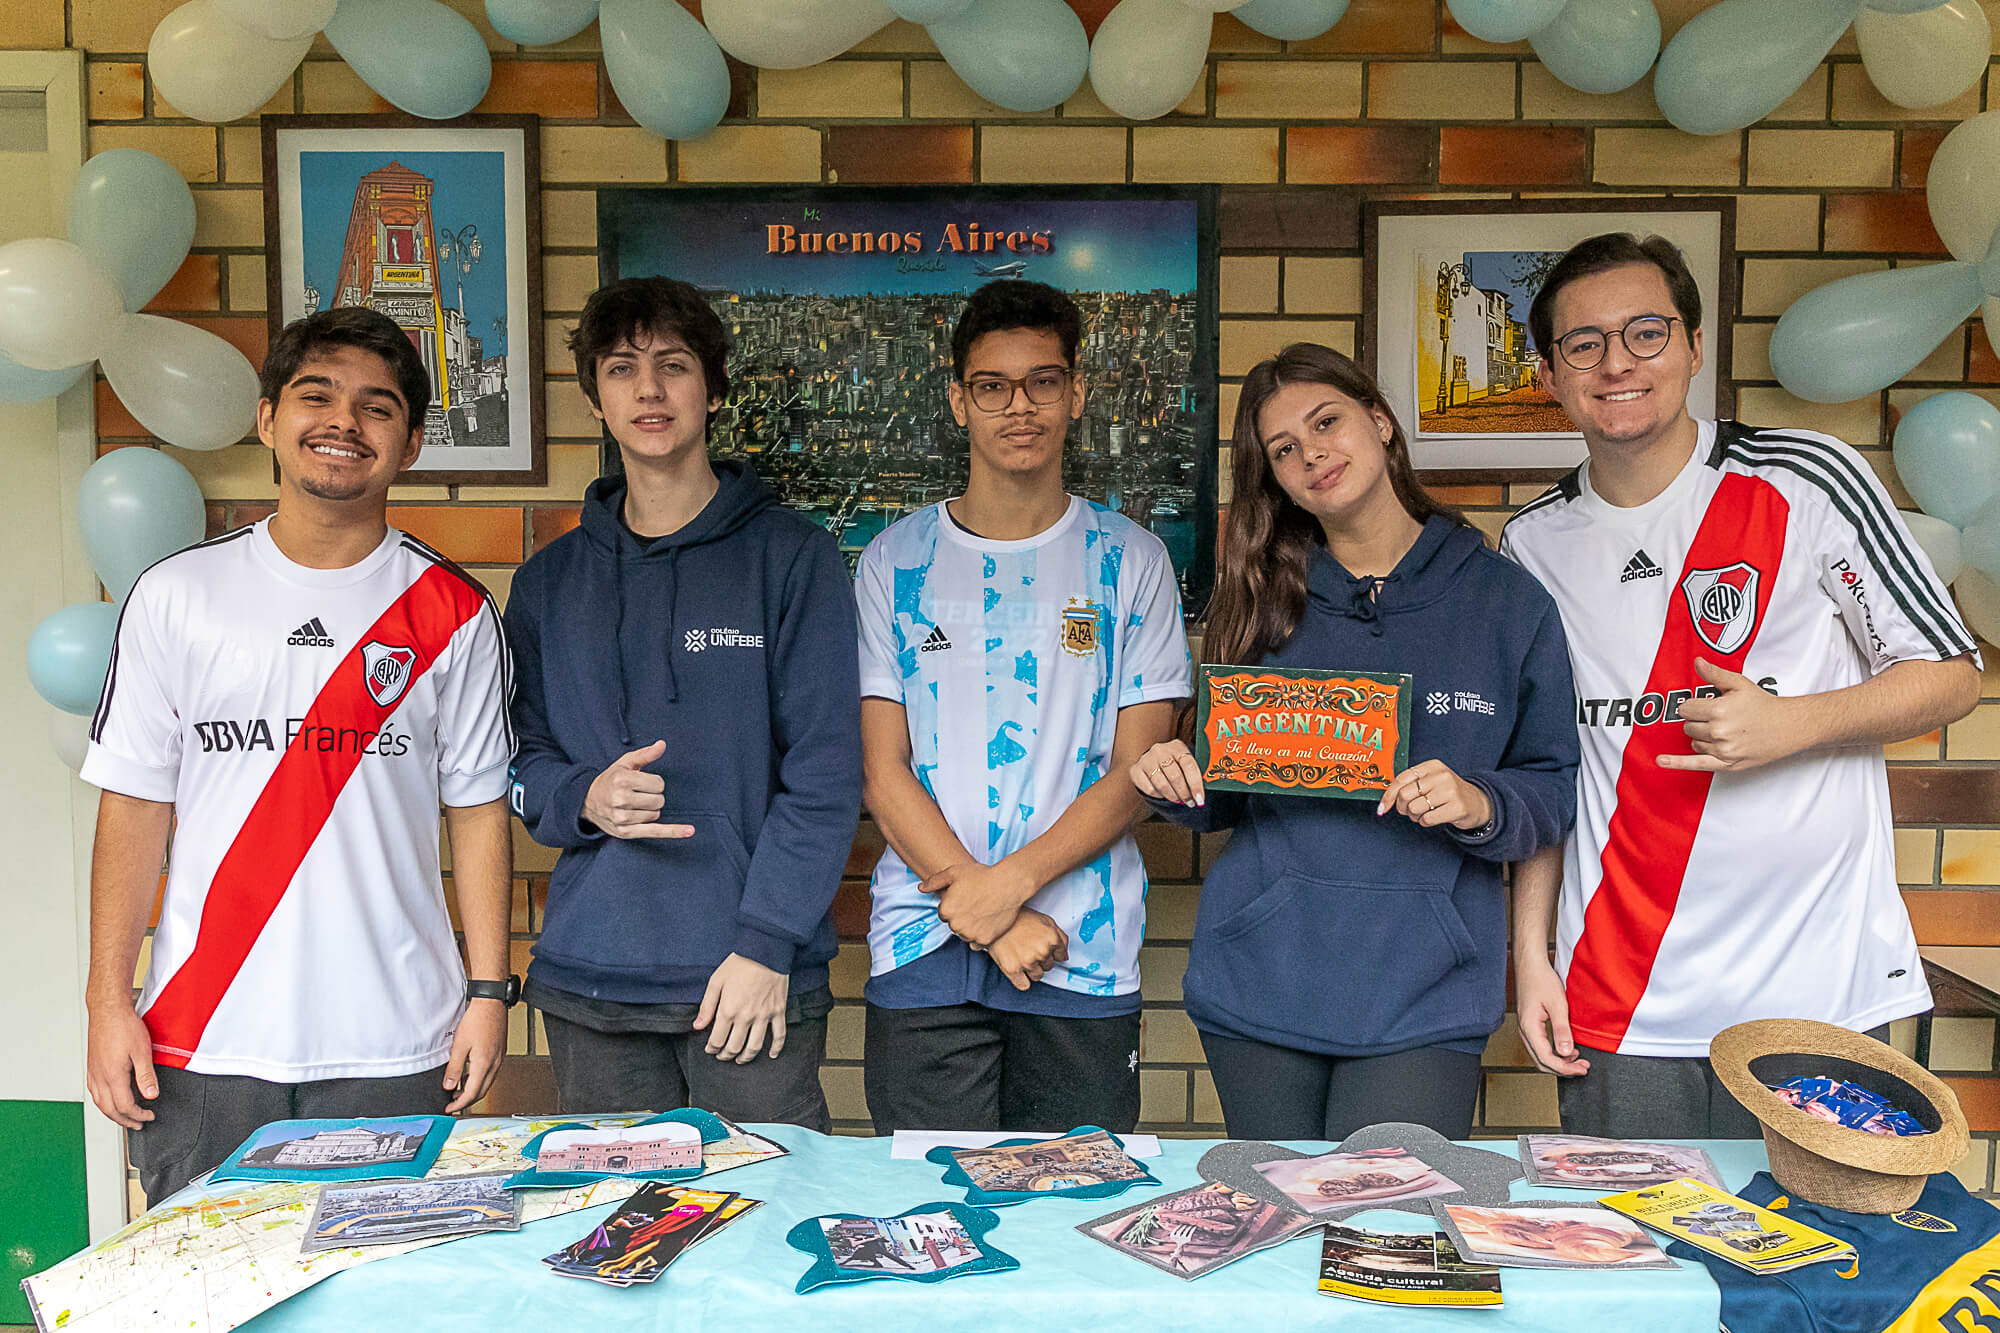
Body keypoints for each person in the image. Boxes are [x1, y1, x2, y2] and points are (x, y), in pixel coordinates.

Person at [1501, 232, 1981, 1139]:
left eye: (1646, 332)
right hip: (1621, 994)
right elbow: (1545, 771)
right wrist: (1533, 957)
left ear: (1691, 347)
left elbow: (1953, 673)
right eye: (1584, 343)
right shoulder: (1532, 545)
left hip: (1818, 991)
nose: (1617, 363)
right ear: (1554, 374)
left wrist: (1794, 723)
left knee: (1833, 1270)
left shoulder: (1807, 477)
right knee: (1642, 1275)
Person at [82, 307, 515, 1205]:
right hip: (202, 1041)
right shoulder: (176, 597)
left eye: (377, 406)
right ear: (267, 417)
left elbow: (477, 810)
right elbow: (133, 806)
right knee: (206, 1299)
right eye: (316, 395)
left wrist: (488, 992)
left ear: (412, 443)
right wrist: (105, 1001)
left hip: (396, 1041)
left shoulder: (454, 612)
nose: (343, 423)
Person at [1131, 343, 1577, 1142]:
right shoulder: (1261, 597)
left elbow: (1551, 784)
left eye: (1326, 422)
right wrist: (1176, 778)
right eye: (1284, 450)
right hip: (1261, 987)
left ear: (1380, 422)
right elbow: (1225, 794)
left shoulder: (1506, 602)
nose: (1313, 456)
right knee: (1273, 1245)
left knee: (1389, 1246)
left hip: (1426, 994)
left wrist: (1480, 803)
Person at [504, 276, 858, 1130]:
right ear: (595, 396)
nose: (650, 389)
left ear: (712, 387)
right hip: (594, 980)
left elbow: (826, 772)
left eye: (674, 365)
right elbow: (517, 758)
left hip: (749, 979)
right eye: (623, 368)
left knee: (764, 1236)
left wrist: (766, 943)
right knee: (616, 1246)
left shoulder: (793, 558)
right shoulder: (548, 583)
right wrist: (579, 796)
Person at [856, 280, 1191, 1134]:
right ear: (959, 399)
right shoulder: (894, 560)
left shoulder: (1133, 560)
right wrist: (985, 911)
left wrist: (1008, 886)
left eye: (1043, 381)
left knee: (1074, 1223)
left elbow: (1139, 771)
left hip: (1081, 950)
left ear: (1076, 393)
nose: (1020, 407)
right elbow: (881, 767)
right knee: (926, 1216)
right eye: (993, 386)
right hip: (923, 944)